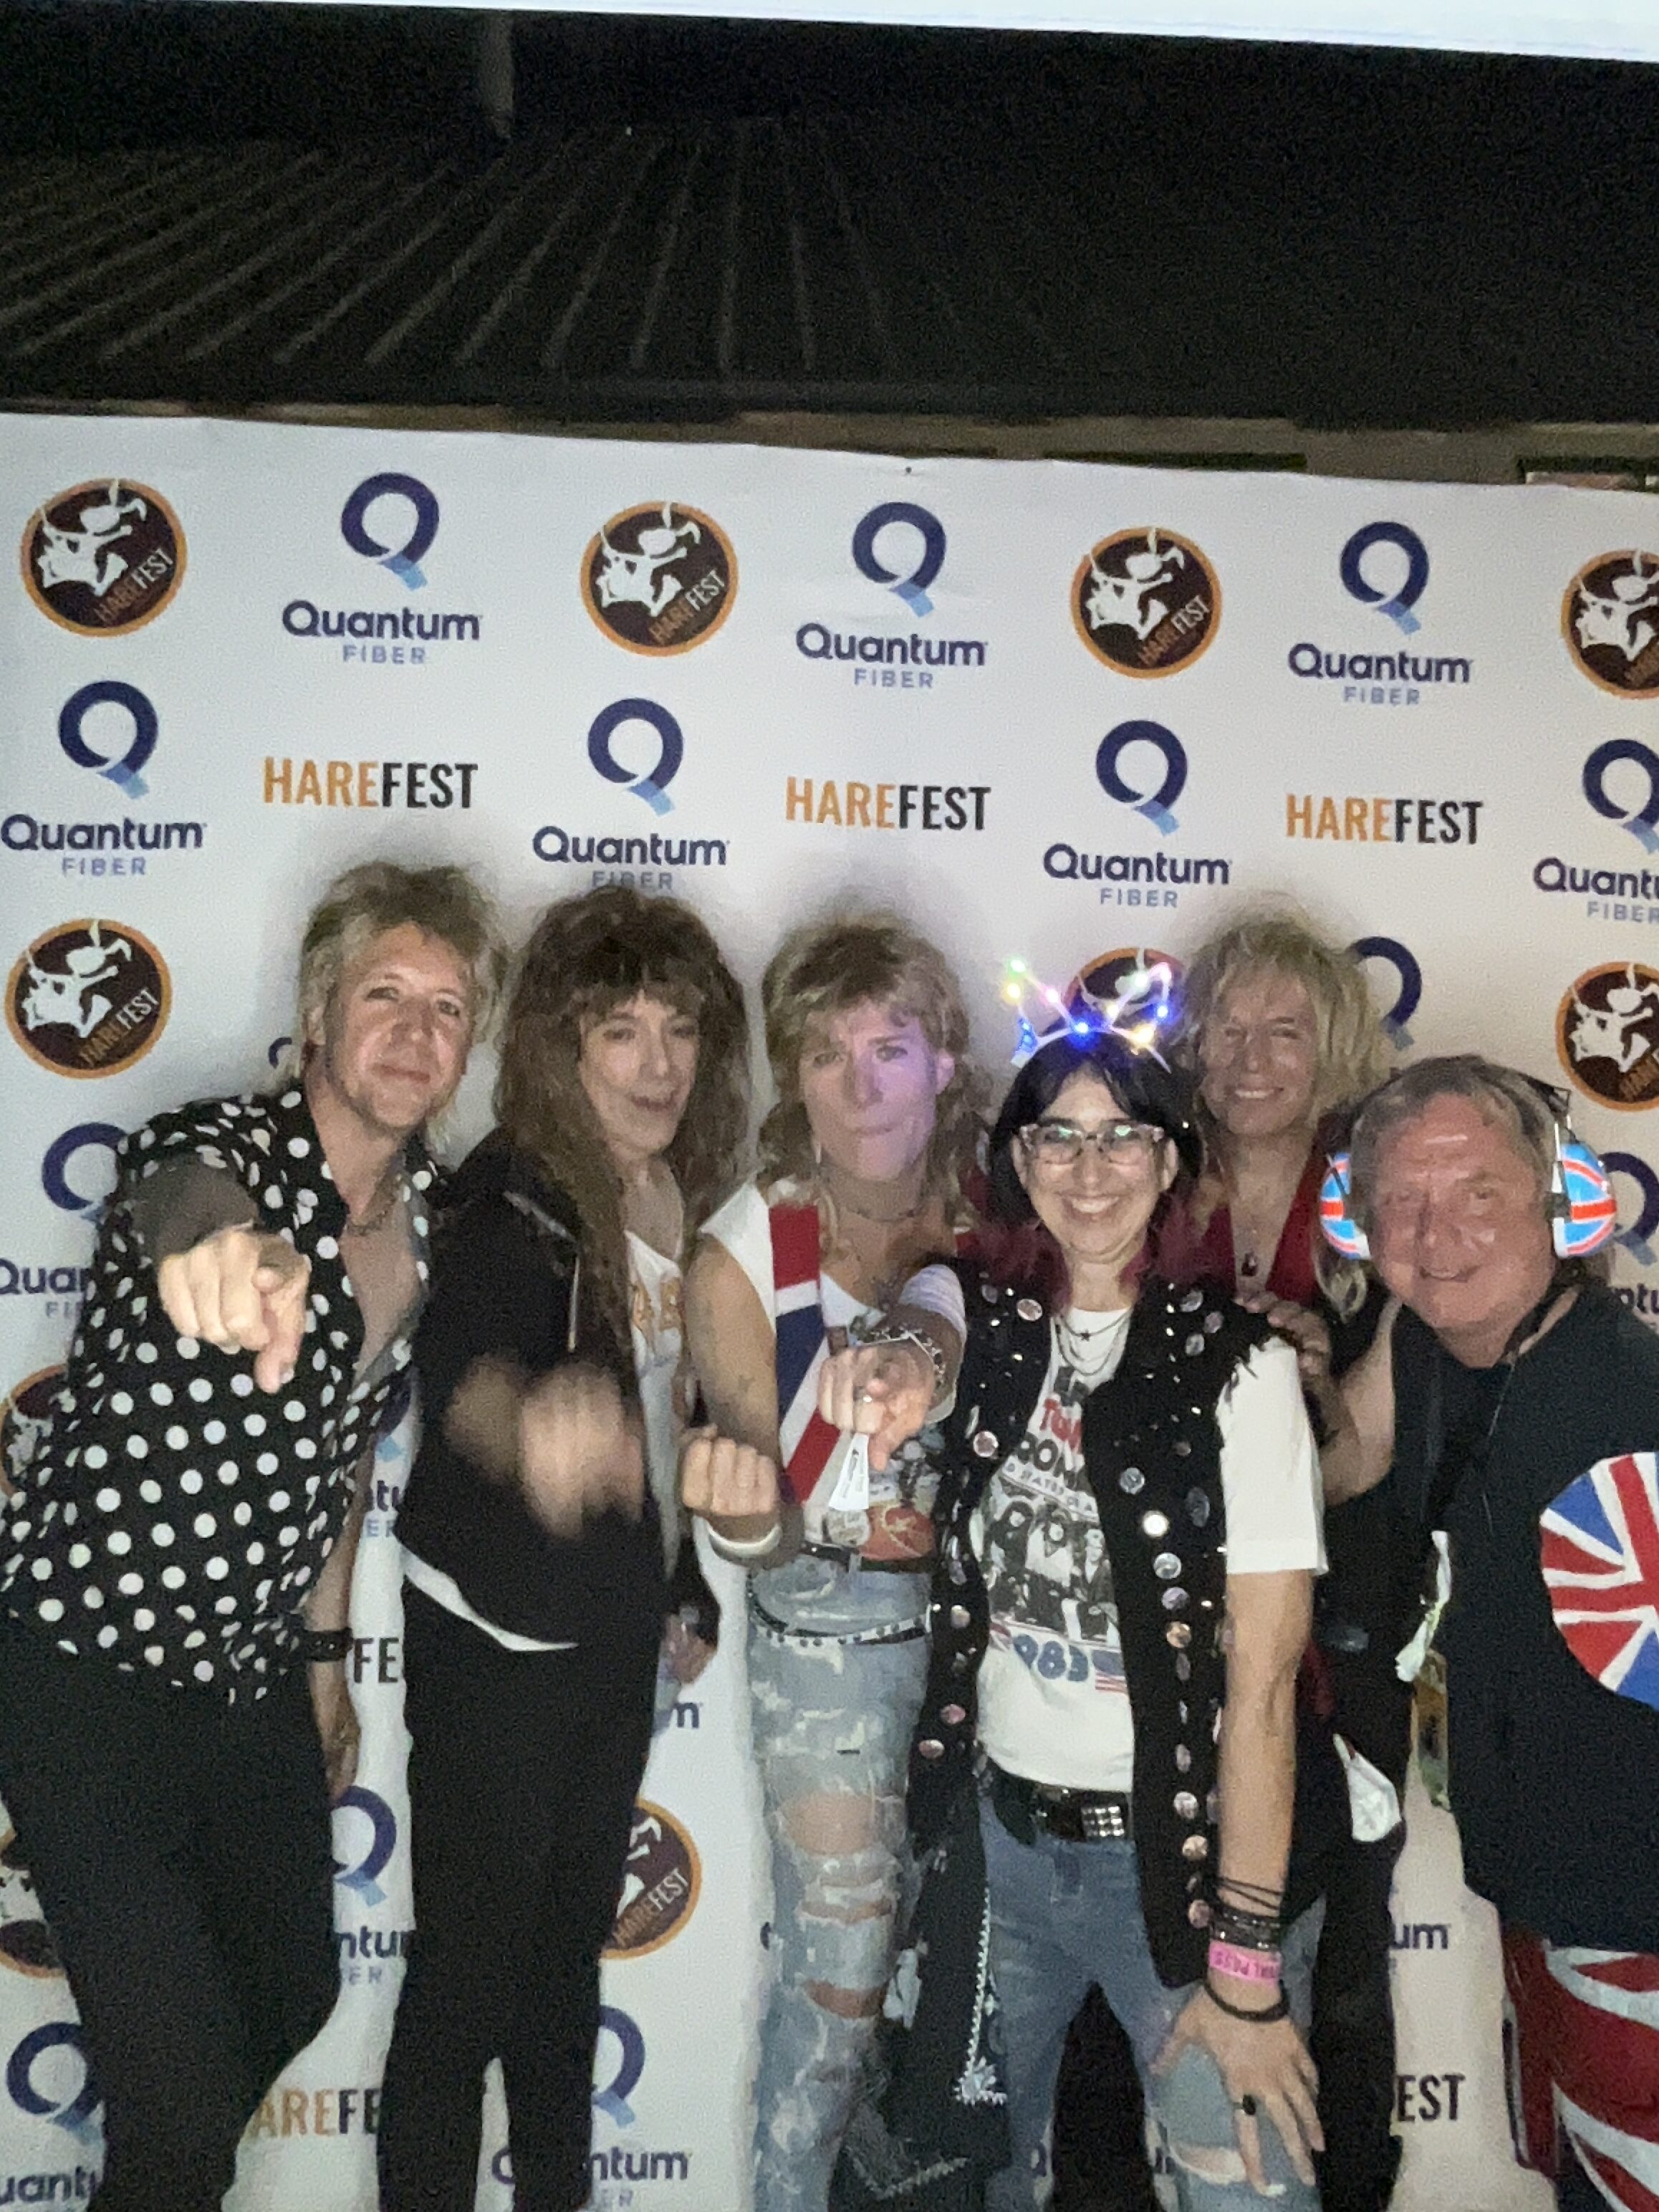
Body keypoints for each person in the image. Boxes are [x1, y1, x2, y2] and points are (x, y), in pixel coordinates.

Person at [0, 860, 506, 2212]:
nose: (414, 1033)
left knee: (291, 1990)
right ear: (318, 1011)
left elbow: (339, 1462)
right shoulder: (212, 1146)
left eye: (447, 1009)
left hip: (248, 1689)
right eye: (384, 995)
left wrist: (325, 1664)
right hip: (88, 1679)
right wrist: (233, 1253)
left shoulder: (429, 1223)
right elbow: (187, 1201)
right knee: (175, 2119)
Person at [895, 1025, 1335, 2212]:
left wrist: (1244, 1968)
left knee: (1247, 2189)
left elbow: (1262, 1695)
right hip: (1002, 1856)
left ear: (1170, 1161)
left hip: (1179, 1875)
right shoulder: (986, 1332)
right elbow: (922, 1312)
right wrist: (892, 1354)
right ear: (1019, 1161)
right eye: (1059, 1139)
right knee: (948, 2182)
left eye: (1124, 1138)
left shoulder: (1240, 1370)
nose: (1091, 1171)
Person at [377, 885, 749, 2212]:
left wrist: (682, 1582)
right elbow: (466, 1368)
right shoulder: (511, 1192)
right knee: (466, 1986)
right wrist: (526, 1424)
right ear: (559, 1047)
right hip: (497, 1636)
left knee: (562, 1974)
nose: (659, 1065)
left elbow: (663, 1420)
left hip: (606, 1633)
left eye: (680, 1030)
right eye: (621, 1033)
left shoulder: (676, 1194)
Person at [683, 912, 979, 2212]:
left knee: (983, 1975)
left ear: (944, 1063)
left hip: (1013, 1646)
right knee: (843, 1979)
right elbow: (771, 1535)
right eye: (825, 1055)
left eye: (889, 1049)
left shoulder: (1008, 1202)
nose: (860, 1087)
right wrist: (741, 1520)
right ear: (791, 1078)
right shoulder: (748, 1252)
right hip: (836, 1646)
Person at [1325, 1057, 1656, 2212]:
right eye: (1403, 1202)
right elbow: (1346, 1460)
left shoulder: (1631, 1396)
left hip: (1635, 1917)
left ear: (1561, 1203)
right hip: (1538, 1881)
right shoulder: (1425, 1340)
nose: (1439, 1235)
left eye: (1478, 1192)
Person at [1161, 908, 1400, 2212]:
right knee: (1150, 1950)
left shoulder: (1385, 1197)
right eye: (1227, 1030)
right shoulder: (1142, 1172)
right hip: (1166, 1636)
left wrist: (1304, 1378)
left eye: (1285, 1032)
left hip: (1336, 1643)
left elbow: (1373, 1448)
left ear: (1336, 1047)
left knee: (1341, 1969)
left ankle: (1345, 2183)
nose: (1250, 1060)